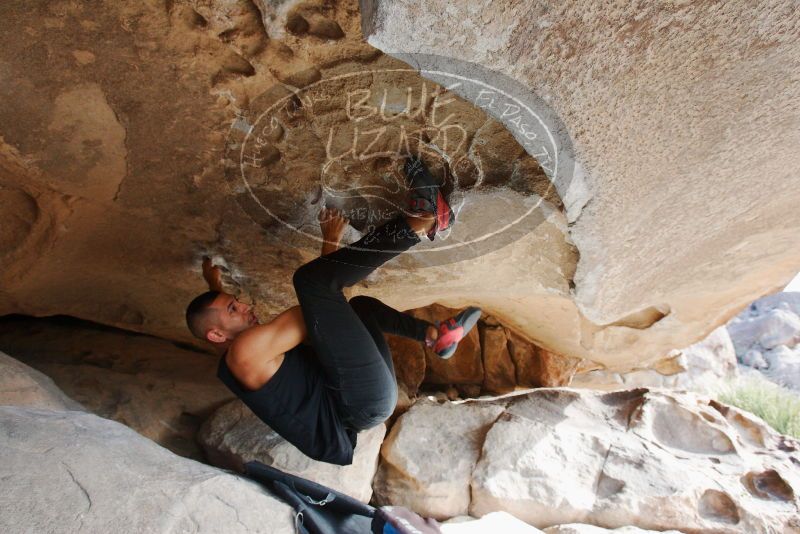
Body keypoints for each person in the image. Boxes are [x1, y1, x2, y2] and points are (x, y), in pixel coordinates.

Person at [185, 157, 482, 465]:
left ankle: (434, 336)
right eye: (234, 307)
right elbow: (319, 308)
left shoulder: (241, 352)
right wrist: (330, 241)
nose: (246, 305)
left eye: (237, 301)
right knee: (309, 281)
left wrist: (214, 287)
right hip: (363, 399)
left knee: (361, 308)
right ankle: (427, 217)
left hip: (367, 398)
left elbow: (220, 321)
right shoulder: (245, 353)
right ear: (217, 334)